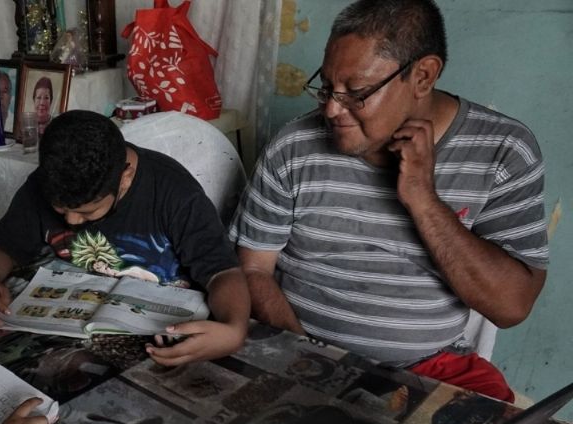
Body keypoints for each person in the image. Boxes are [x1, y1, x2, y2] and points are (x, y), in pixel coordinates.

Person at [230, 0, 548, 402]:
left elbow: (510, 307)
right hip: (303, 351)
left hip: (431, 365)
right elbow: (253, 270)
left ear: (423, 76)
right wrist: (314, 360)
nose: (330, 108)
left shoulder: (503, 151)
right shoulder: (294, 146)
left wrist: (423, 199)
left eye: (356, 93)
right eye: (327, 86)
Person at [0, 110, 250, 366]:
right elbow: (0, 247)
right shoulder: (46, 183)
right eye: (61, 209)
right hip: (71, 326)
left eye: (87, 211)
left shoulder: (175, 194)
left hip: (161, 335)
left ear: (125, 177)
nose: (71, 221)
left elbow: (223, 272)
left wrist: (234, 329)